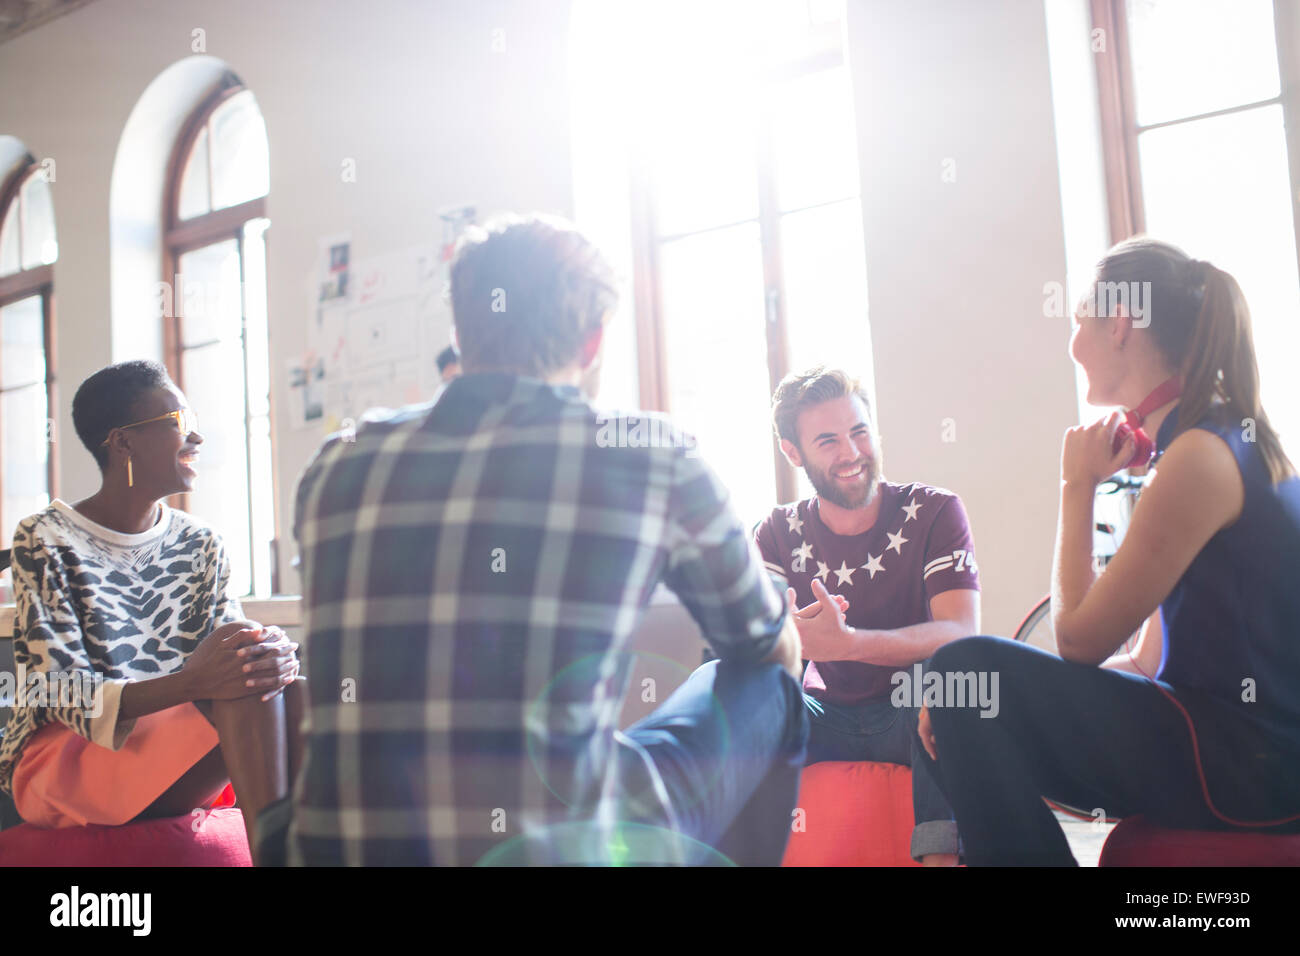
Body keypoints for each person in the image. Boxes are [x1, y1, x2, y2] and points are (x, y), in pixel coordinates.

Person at [267, 214, 806, 866]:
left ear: (460, 331)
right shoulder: (651, 456)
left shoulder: (335, 465)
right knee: (769, 685)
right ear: (592, 341)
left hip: (335, 853)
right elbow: (765, 647)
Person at [917, 237, 1300, 865]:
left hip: (1247, 768)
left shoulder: (1198, 457)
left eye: (1079, 322)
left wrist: (1077, 485)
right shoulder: (1219, 439)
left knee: (961, 669)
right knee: (956, 683)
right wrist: (998, 692)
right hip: (1234, 751)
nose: (1073, 344)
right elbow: (1150, 660)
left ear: (1119, 323)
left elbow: (1078, 641)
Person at [0, 360, 302, 860]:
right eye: (180, 422)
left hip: (169, 739)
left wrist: (272, 655)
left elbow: (233, 661)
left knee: (292, 690)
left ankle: (296, 852)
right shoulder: (46, 538)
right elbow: (58, 692)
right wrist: (193, 683)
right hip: (66, 755)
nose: (197, 437)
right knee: (249, 685)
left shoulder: (202, 543)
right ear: (123, 443)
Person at [754, 367, 981, 865]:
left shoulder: (935, 510)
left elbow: (961, 631)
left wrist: (848, 643)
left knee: (955, 678)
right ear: (793, 453)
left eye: (859, 432)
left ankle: (942, 861)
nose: (851, 452)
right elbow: (762, 656)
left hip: (912, 711)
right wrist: (787, 640)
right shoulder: (775, 531)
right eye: (828, 441)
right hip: (823, 719)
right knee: (726, 685)